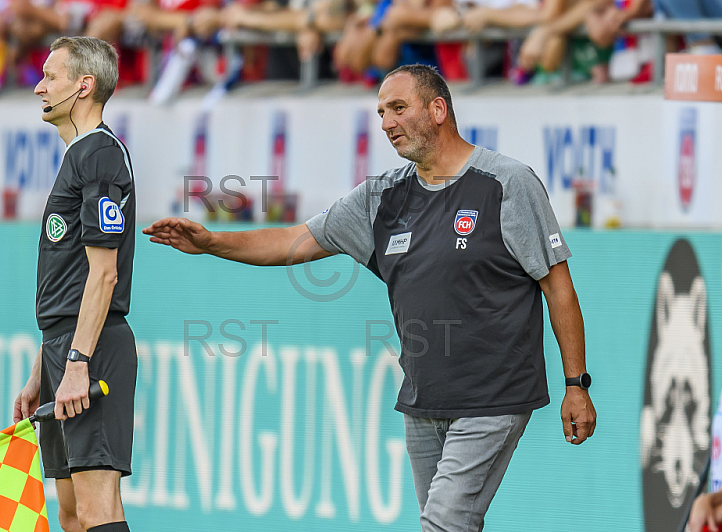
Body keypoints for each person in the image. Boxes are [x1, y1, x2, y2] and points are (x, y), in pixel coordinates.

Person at [143, 63, 596, 531]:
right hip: (422, 400)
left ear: (438, 109)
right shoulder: (381, 198)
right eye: (381, 112)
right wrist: (213, 243)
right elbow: (292, 240)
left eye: (398, 108)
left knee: (443, 523)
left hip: (494, 399)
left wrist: (575, 384)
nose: (386, 124)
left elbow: (556, 285)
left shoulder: (506, 184)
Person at [12, 36, 137, 532]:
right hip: (63, 348)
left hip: (94, 350)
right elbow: (73, 282)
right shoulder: (79, 156)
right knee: (70, 514)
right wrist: (43, 367)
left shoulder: (101, 155)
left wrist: (79, 362)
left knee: (97, 509)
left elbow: (103, 274)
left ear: (84, 86)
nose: (40, 88)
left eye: (51, 77)